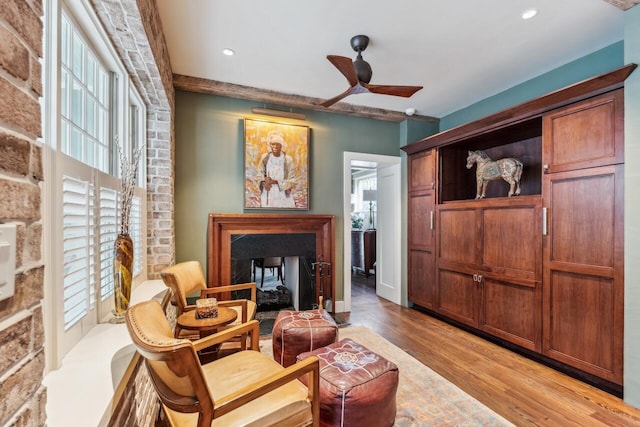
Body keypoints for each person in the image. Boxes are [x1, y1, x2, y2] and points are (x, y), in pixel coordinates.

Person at [258, 130, 297, 208]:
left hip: (283, 193)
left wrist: (277, 182)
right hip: (268, 192)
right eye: (273, 144)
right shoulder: (265, 158)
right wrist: (264, 182)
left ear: (281, 146)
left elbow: (292, 179)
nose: (275, 147)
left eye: (277, 144)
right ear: (270, 145)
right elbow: (259, 174)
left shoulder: (288, 160)